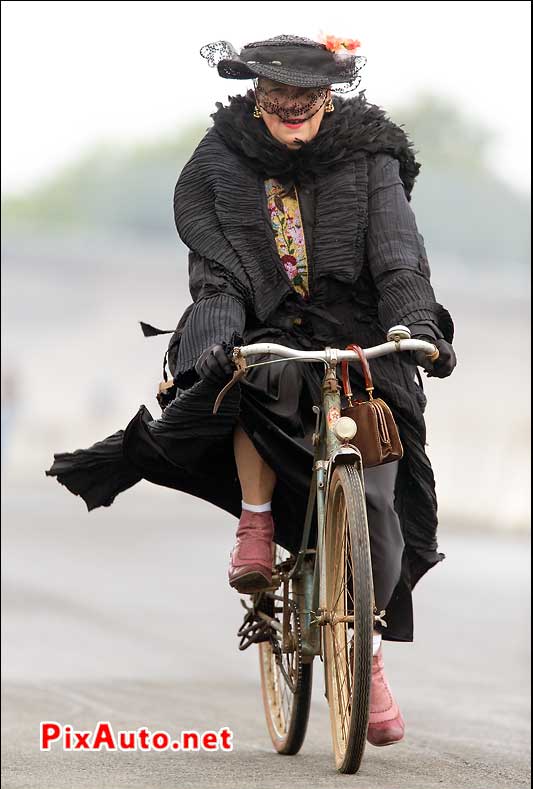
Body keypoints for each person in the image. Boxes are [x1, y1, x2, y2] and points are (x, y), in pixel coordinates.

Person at [46, 33, 457, 747]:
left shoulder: (371, 156)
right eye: (279, 103)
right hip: (258, 318)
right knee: (243, 373)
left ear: (328, 101)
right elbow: (217, 270)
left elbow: (396, 254)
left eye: (306, 103)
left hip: (357, 328)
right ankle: (257, 523)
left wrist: (414, 322)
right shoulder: (219, 160)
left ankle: (368, 655)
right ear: (257, 98)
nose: (293, 114)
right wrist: (212, 337)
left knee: (384, 502)